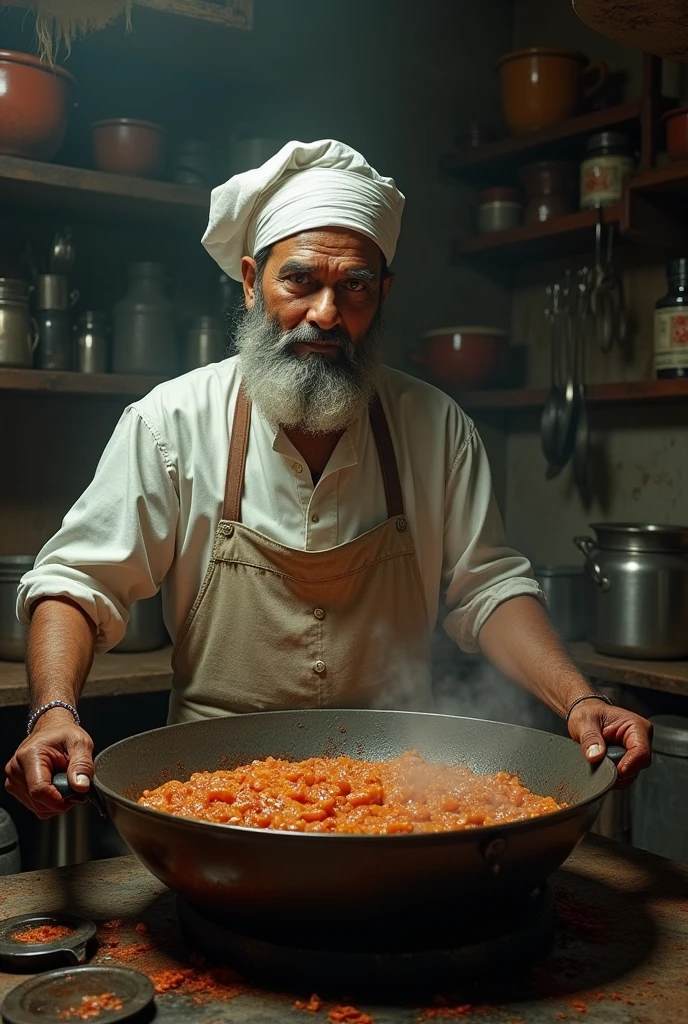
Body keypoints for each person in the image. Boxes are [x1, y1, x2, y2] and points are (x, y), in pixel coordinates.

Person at [6, 139, 651, 819]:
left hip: (400, 793)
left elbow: (488, 591)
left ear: (383, 291)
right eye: (301, 281)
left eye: (354, 287)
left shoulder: (436, 428)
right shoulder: (171, 422)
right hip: (211, 794)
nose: (326, 313)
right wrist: (52, 711)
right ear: (252, 281)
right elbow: (77, 586)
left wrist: (580, 700)